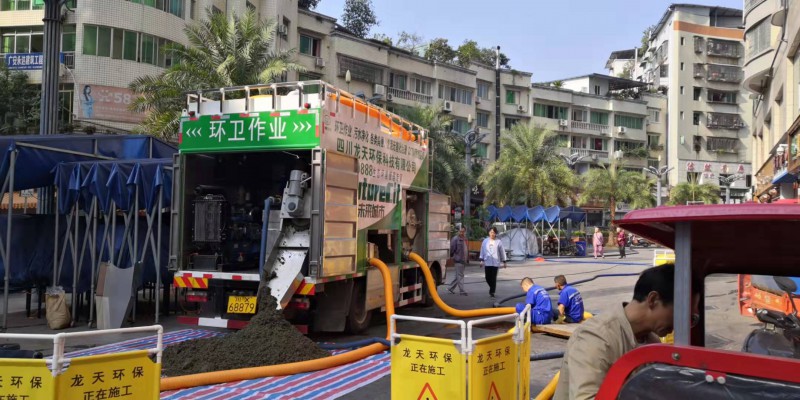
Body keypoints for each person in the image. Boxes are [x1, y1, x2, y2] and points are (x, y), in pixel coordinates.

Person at [553, 263, 700, 400]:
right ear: (653, 300)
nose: (683, 324)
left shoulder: (651, 342)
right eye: (682, 314)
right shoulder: (596, 338)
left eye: (691, 319)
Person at [479, 227, 507, 298]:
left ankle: (492, 291)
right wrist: (481, 260)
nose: (492, 234)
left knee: (493, 277)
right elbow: (482, 251)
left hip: (495, 263)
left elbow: (502, 252)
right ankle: (492, 287)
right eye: (491, 232)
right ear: (489, 233)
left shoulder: (498, 242)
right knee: (487, 277)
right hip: (487, 262)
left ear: (495, 233)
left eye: (494, 232)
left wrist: (504, 261)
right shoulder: (485, 241)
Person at [447, 226, 469, 296]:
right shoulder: (455, 239)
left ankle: (450, 288)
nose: (462, 233)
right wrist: (453, 257)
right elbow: (452, 249)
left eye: (463, 231)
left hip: (463, 260)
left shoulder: (465, 239)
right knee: (460, 275)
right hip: (458, 260)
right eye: (460, 231)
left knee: (458, 276)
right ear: (458, 231)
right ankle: (462, 291)